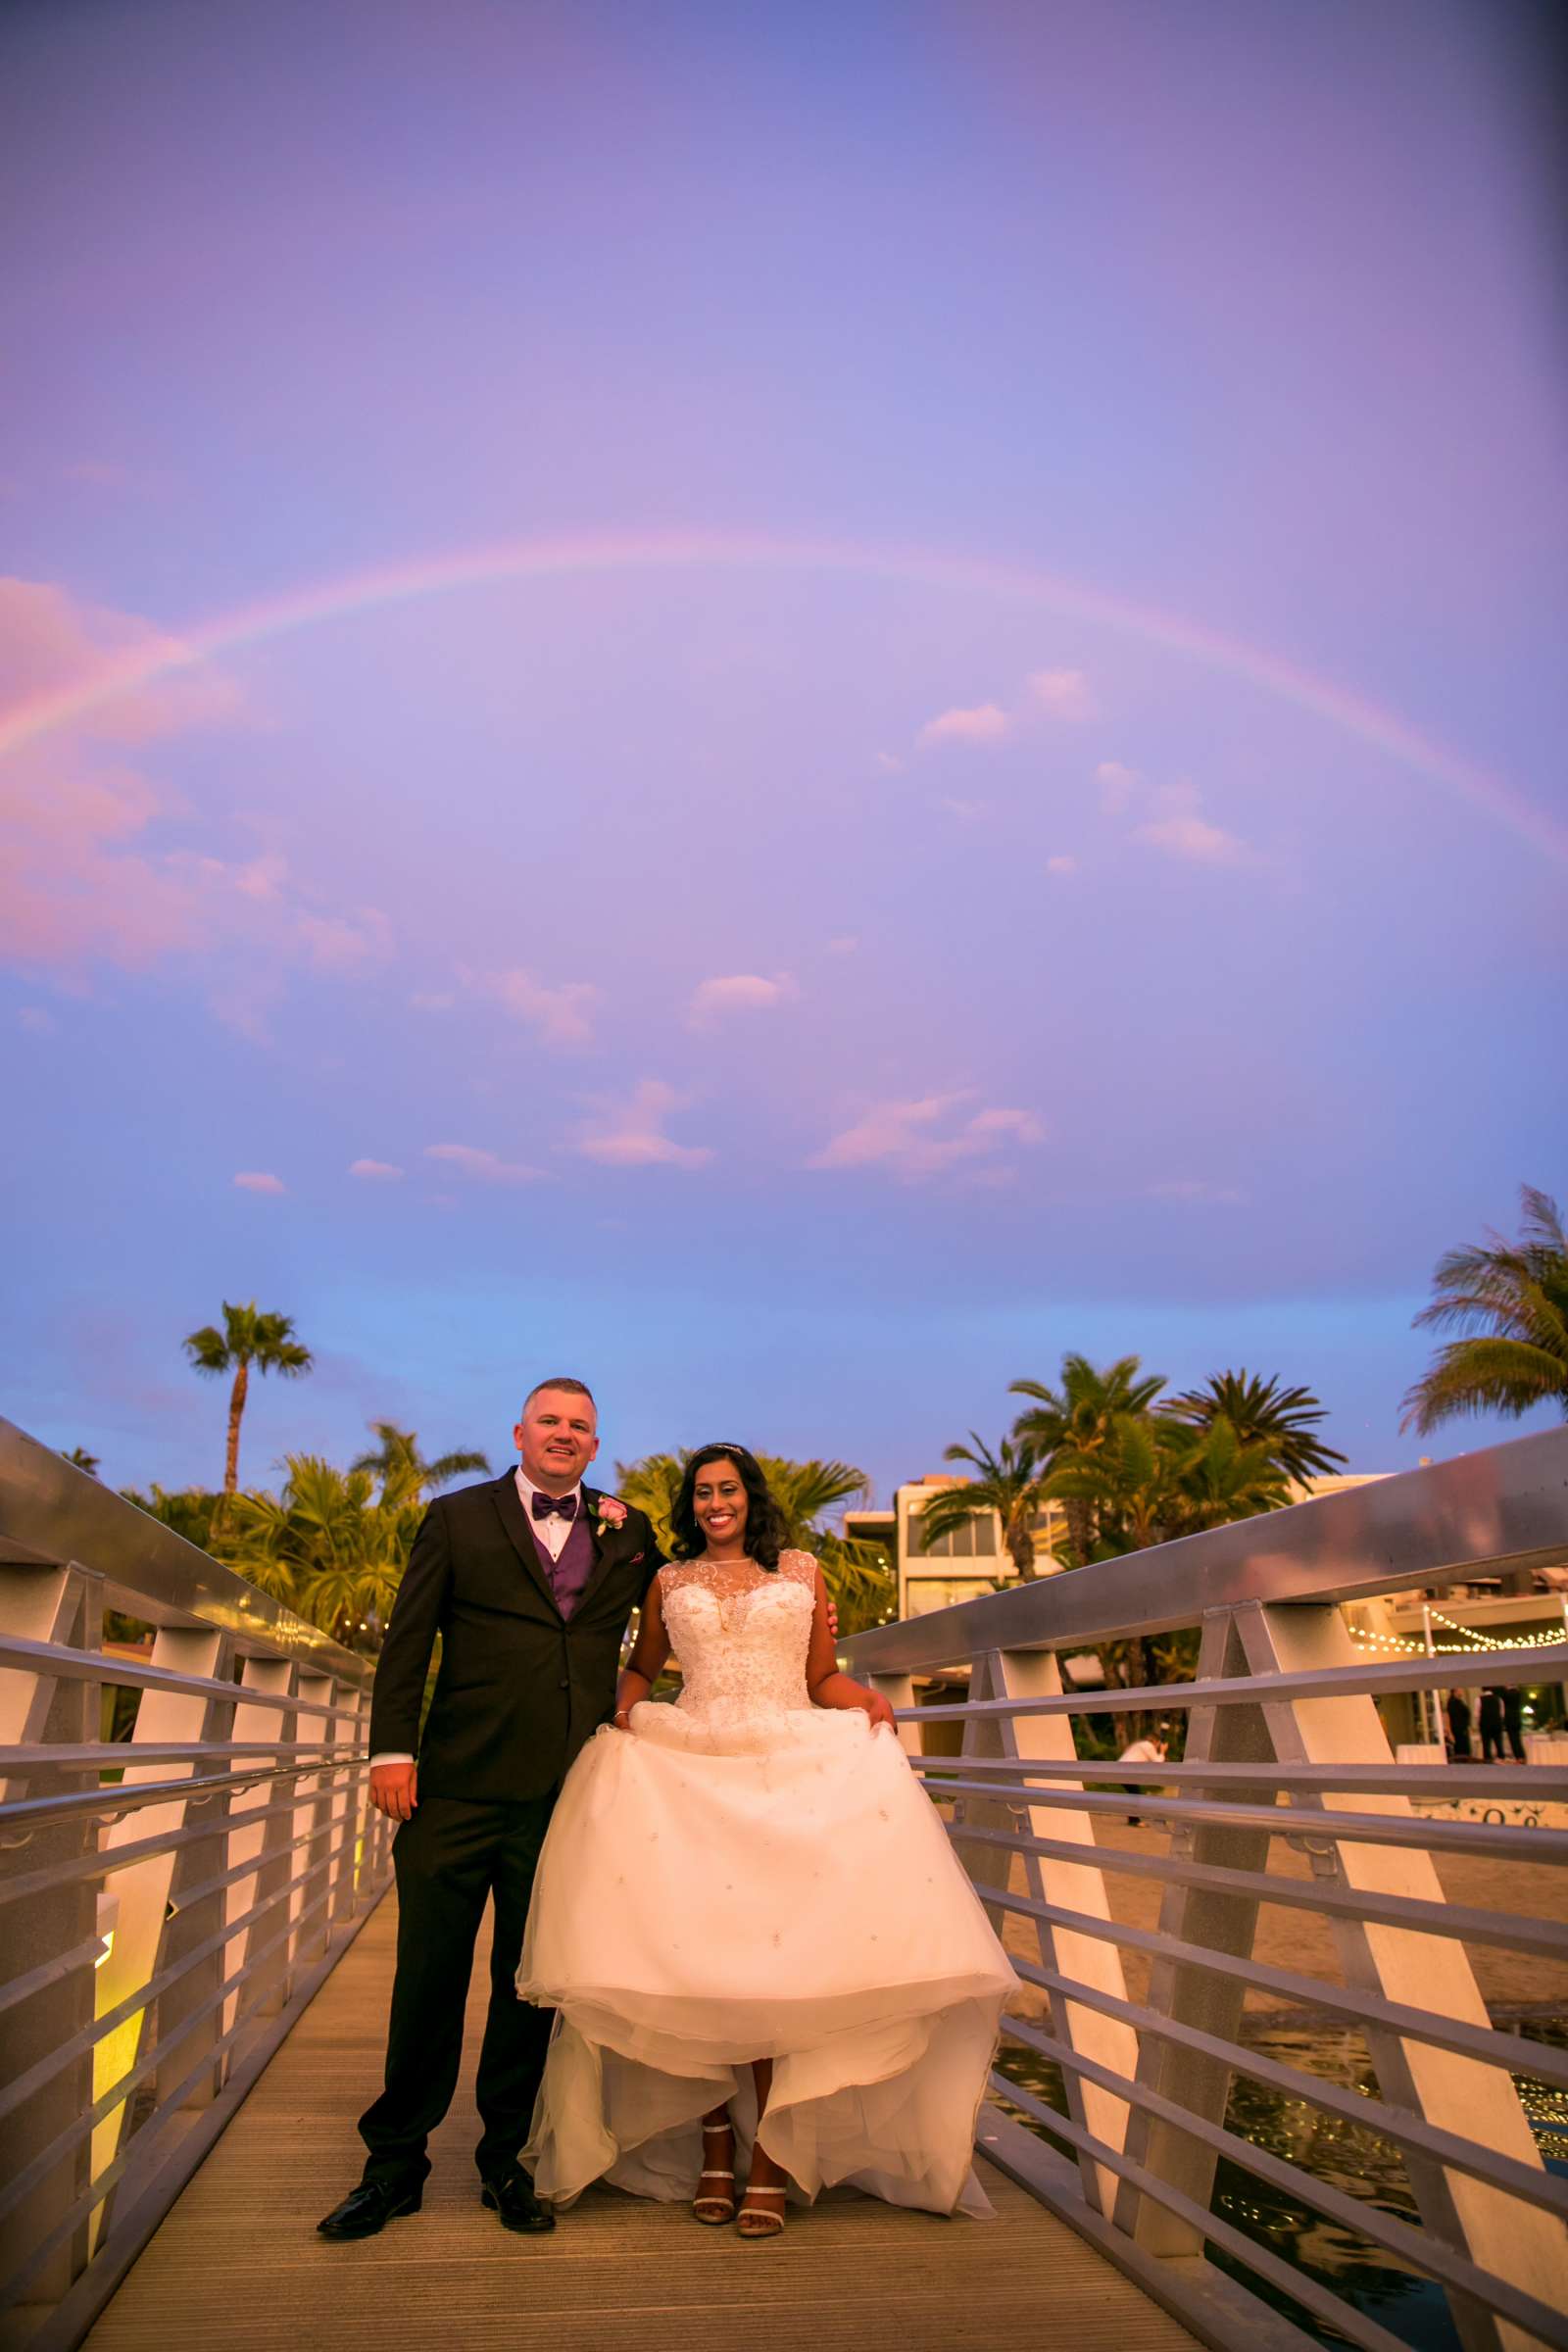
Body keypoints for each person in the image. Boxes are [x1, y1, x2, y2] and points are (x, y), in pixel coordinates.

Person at [517, 1443, 1016, 2238]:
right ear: (692, 1506)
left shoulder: (801, 1569)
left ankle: (768, 2160)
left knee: (776, 1965)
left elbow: (822, 1677)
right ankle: (716, 2140)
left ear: (751, 1498)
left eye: (729, 1490)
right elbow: (645, 1667)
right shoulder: (668, 1580)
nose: (717, 1503)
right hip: (694, 1769)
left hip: (785, 1770)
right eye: (703, 1493)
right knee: (699, 1961)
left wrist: (867, 1703)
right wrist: (625, 1709)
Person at [317, 1379, 666, 2243]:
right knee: (428, 1978)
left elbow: (684, 1604)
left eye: (580, 1426)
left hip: (562, 1797)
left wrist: (790, 1599)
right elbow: (408, 1638)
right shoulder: (456, 1517)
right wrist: (392, 1750)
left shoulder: (630, 1530)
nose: (563, 1434)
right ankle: (394, 2165)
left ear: (595, 1444)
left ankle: (505, 2160)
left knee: (528, 1985)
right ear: (518, 1432)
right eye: (549, 1420)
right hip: (452, 1788)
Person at [1116, 1729, 1167, 1827]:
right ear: (1155, 1742)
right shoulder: (1148, 1745)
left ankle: (1133, 1819)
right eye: (1157, 1744)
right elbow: (1157, 1761)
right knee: (1136, 1795)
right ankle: (1134, 1820)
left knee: (1134, 1794)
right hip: (1127, 1772)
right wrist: (1162, 1751)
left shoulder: (1139, 1744)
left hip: (1121, 1771)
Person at [1479, 1687, 1506, 1763]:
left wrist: (1480, 1723)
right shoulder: (1498, 1699)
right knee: (1499, 1743)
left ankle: (1487, 1761)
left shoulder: (1479, 1699)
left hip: (1485, 1725)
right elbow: (1502, 1714)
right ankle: (1501, 1759)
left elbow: (1477, 1714)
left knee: (1486, 1745)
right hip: (1497, 1724)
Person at [1446, 1689, 1473, 1760]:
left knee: (1463, 1749)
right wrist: (1450, 1732)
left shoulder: (1459, 1702)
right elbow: (1450, 1717)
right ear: (1455, 1692)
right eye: (1460, 1690)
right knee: (1461, 1750)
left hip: (1462, 1729)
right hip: (1458, 1730)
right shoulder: (1453, 1703)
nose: (1461, 1691)